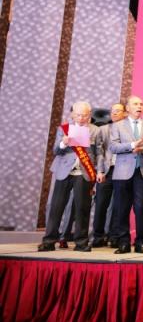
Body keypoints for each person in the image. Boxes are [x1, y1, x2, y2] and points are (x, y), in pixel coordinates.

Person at [38, 101, 103, 252]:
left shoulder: (95, 130)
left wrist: (100, 171)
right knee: (56, 207)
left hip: (83, 172)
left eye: (85, 115)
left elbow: (99, 153)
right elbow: (56, 151)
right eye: (78, 115)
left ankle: (81, 242)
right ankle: (49, 241)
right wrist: (63, 143)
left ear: (89, 115)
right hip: (64, 171)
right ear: (73, 114)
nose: (81, 118)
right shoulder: (64, 128)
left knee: (82, 208)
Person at [110, 95, 143, 254]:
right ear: (128, 108)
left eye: (141, 104)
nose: (139, 106)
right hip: (123, 172)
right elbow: (113, 147)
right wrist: (132, 145)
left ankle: (141, 242)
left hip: (142, 171)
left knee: (141, 208)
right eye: (135, 104)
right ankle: (123, 242)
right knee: (122, 208)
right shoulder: (117, 125)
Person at [92, 103, 127, 248]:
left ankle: (114, 236)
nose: (114, 113)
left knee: (118, 206)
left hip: (123, 171)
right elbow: (99, 152)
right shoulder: (103, 129)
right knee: (101, 204)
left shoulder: (129, 130)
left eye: (118, 111)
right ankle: (98, 236)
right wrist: (99, 171)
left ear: (125, 113)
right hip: (107, 170)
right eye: (113, 111)